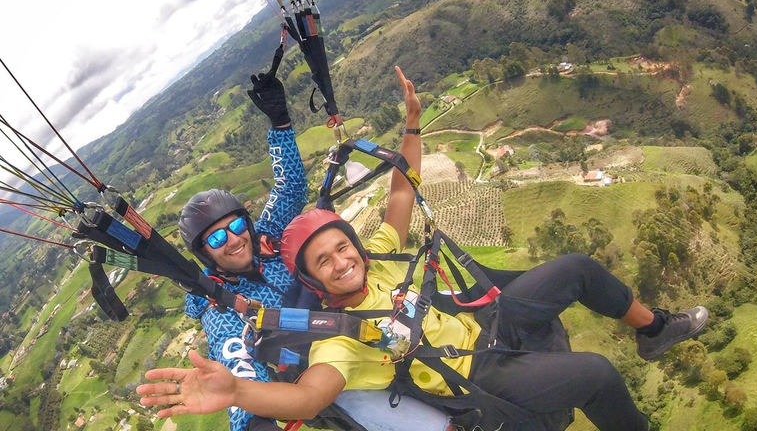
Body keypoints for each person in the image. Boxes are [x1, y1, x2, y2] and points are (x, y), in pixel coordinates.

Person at [138, 67, 709, 431]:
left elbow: (398, 198)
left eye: (343, 248)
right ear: (312, 280)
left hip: (484, 317)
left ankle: (654, 329)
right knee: (598, 375)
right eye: (325, 262)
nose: (341, 261)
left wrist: (412, 125)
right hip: (474, 370)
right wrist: (238, 392)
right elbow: (311, 397)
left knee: (577, 270)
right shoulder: (334, 333)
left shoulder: (367, 250)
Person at [175, 66, 452, 431]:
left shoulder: (268, 237)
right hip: (328, 374)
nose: (233, 239)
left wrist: (280, 124)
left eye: (237, 225)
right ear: (204, 254)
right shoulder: (222, 308)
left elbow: (289, 187)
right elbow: (239, 367)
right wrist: (254, 424)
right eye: (215, 238)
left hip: (366, 318)